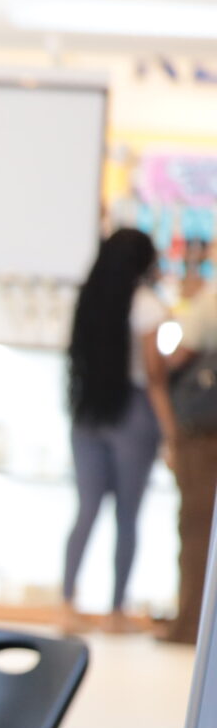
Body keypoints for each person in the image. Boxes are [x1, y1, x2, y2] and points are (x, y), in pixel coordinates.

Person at [64, 228, 171, 631]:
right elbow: (155, 376)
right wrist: (172, 433)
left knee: (86, 509)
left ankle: (67, 603)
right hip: (133, 415)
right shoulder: (147, 305)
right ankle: (116, 611)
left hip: (88, 412)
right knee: (127, 515)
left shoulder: (88, 299)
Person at [164, 251, 217, 646]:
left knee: (198, 528)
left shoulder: (209, 303)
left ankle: (190, 626)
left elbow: (179, 355)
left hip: (204, 433)